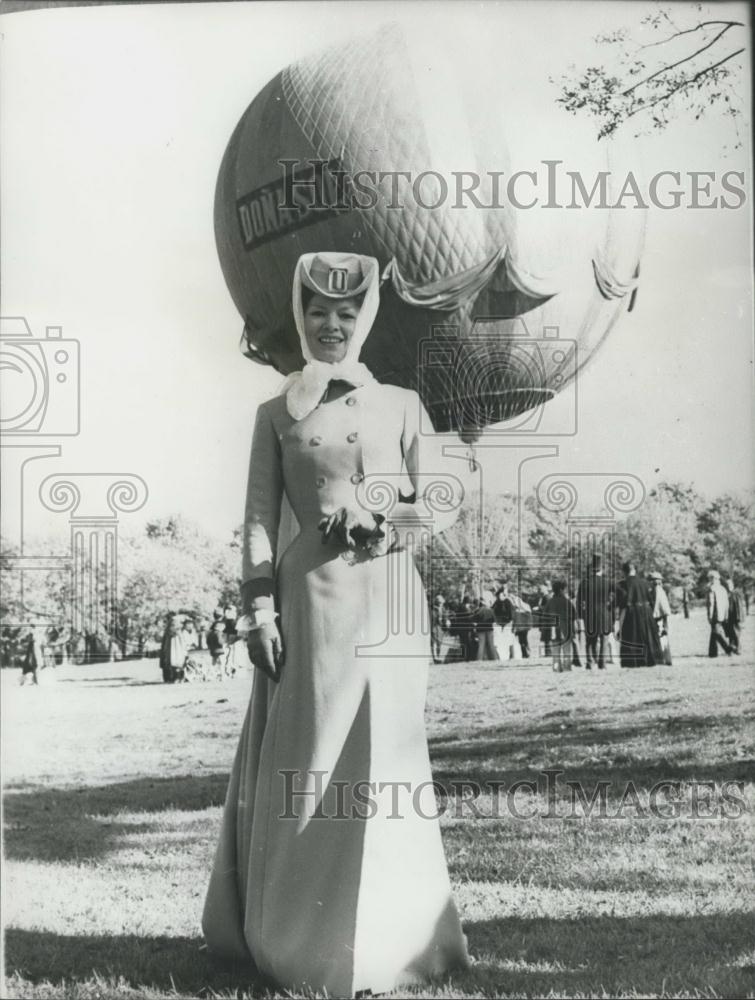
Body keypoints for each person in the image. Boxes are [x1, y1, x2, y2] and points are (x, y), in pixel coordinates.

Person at [202, 252, 470, 996]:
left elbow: (442, 498)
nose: (330, 326)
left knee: (388, 761)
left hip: (388, 601)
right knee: (310, 763)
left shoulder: (403, 404)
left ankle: (402, 943)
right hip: (307, 606)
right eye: (317, 312)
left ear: (365, 319)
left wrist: (385, 515)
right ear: (300, 317)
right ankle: (300, 944)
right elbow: (257, 521)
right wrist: (257, 605)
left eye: (345, 314)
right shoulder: (273, 413)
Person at [615, 562, 662, 667]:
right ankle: (650, 659)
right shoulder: (645, 583)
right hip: (646, 613)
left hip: (631, 614)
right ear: (635, 570)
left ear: (624, 572)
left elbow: (622, 606)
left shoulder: (621, 585)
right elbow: (652, 602)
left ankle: (634, 662)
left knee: (632, 636)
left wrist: (620, 627)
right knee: (647, 636)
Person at [577, 554, 612, 669]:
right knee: (604, 640)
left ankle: (590, 662)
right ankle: (602, 663)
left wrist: (581, 615)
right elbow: (618, 596)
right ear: (602, 569)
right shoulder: (607, 582)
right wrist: (610, 607)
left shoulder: (585, 583)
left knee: (590, 640)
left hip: (589, 613)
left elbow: (579, 601)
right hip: (604, 613)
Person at [544, 581, 581, 671]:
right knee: (567, 650)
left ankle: (556, 667)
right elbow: (574, 617)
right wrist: (576, 628)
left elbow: (545, 617)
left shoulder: (550, 602)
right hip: (566, 629)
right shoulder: (567, 602)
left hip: (553, 630)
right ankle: (567, 667)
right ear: (561, 590)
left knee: (555, 651)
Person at [706, 570, 733, 658]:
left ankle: (727, 648)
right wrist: (726, 615)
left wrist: (709, 616)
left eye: (710, 578)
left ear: (712, 578)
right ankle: (712, 653)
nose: (709, 580)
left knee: (716, 632)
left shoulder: (712, 588)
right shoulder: (723, 589)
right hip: (722, 614)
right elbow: (726, 604)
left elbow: (711, 603)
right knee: (714, 632)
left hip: (715, 614)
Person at [649, 571, 673, 665]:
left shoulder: (658, 591)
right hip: (659, 618)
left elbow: (663, 609)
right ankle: (663, 659)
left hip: (659, 618)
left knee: (662, 639)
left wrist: (665, 623)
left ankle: (664, 659)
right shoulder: (659, 591)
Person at [159, 615, 188, 683]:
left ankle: (173, 678)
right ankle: (176, 678)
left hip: (171, 653)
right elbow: (183, 643)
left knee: (173, 665)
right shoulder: (178, 633)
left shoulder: (168, 633)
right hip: (177, 653)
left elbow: (165, 645)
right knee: (177, 665)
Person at [473, 591, 499, 661]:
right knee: (491, 645)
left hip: (480, 630)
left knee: (481, 645)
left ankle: (479, 659)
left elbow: (474, 620)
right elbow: (494, 620)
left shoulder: (477, 611)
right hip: (489, 629)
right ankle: (495, 658)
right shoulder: (491, 610)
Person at [723, 576, 744, 655]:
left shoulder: (735, 594)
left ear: (732, 585)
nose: (728, 586)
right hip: (729, 617)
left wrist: (739, 617)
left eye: (729, 584)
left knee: (736, 633)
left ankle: (738, 649)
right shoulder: (727, 594)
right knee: (730, 634)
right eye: (727, 584)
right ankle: (732, 648)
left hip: (735, 617)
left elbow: (739, 607)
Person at [536, 581, 553, 656]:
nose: (539, 591)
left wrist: (539, 608)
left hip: (547, 620)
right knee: (546, 637)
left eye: (541, 589)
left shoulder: (547, 597)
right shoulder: (543, 597)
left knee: (547, 636)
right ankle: (547, 652)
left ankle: (549, 652)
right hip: (544, 620)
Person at [431, 595, 447, 663]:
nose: (441, 604)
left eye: (441, 603)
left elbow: (445, 617)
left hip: (440, 628)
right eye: (440, 603)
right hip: (434, 627)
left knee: (439, 643)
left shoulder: (443, 609)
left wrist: (446, 622)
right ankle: (434, 658)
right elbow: (432, 618)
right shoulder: (432, 609)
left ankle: (438, 656)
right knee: (433, 643)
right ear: (437, 602)